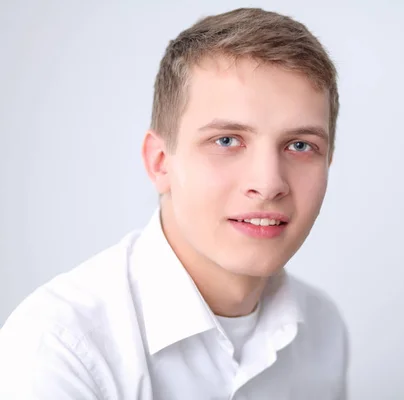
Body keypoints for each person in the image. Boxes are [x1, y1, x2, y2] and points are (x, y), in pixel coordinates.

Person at [0, 7, 349, 399]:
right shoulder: (60, 349)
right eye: (227, 141)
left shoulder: (323, 330)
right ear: (160, 162)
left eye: (301, 146)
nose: (268, 184)